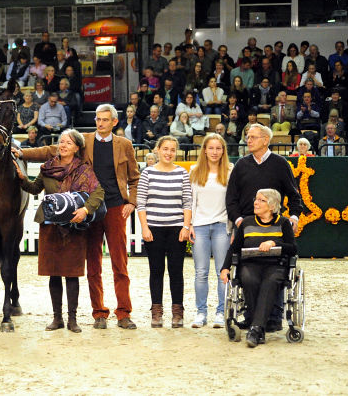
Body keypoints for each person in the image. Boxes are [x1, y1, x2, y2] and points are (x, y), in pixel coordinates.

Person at [18, 104, 140, 330]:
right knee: (93, 263)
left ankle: (123, 313)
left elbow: (135, 177)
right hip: (89, 211)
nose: (100, 123)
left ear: (114, 122)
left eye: (105, 120)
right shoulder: (85, 141)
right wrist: (22, 152)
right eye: (97, 119)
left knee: (119, 263)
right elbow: (52, 150)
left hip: (114, 208)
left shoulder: (125, 145)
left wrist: (132, 201)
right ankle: (99, 313)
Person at [14, 129, 103, 333]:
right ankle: (57, 319)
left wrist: (85, 209)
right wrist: (21, 178)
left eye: (68, 143)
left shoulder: (84, 169)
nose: (63, 145)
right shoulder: (48, 167)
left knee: (71, 274)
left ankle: (72, 320)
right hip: (50, 224)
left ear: (77, 147)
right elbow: (36, 188)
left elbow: (98, 192)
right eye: (61, 142)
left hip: (74, 225)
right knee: (53, 273)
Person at [225, 124, 302, 333]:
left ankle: (274, 318)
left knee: (273, 267)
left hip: (274, 225)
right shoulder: (241, 165)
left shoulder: (280, 164)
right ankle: (251, 316)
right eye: (247, 137)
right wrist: (239, 220)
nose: (248, 140)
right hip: (247, 227)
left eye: (253, 137)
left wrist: (293, 217)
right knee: (249, 272)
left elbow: (294, 195)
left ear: (265, 140)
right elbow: (231, 199)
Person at [220, 188, 297, 348]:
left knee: (270, 282)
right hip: (250, 264)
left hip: (275, 265)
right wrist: (225, 268)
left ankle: (255, 328)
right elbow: (234, 249)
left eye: (262, 200)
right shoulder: (247, 223)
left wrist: (274, 243)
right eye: (256, 199)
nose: (256, 202)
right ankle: (258, 328)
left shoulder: (283, 223)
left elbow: (293, 248)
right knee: (249, 279)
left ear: (272, 205)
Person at [137, 135, 191, 328]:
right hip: (154, 229)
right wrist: (145, 227)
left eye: (172, 150)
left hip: (177, 228)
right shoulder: (147, 173)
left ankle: (177, 312)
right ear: (157, 150)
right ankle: (156, 312)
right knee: (156, 271)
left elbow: (187, 202)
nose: (169, 153)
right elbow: (141, 203)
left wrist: (186, 226)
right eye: (165, 149)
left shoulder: (182, 173)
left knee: (176, 271)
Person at [188, 133, 232, 329]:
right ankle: (201, 312)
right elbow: (190, 201)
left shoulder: (231, 171)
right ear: (204, 150)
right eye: (211, 148)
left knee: (222, 272)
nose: (214, 152)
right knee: (201, 272)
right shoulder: (194, 171)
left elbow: (233, 202)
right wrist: (189, 225)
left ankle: (222, 313)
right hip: (200, 226)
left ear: (223, 151)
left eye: (218, 148)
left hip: (222, 226)